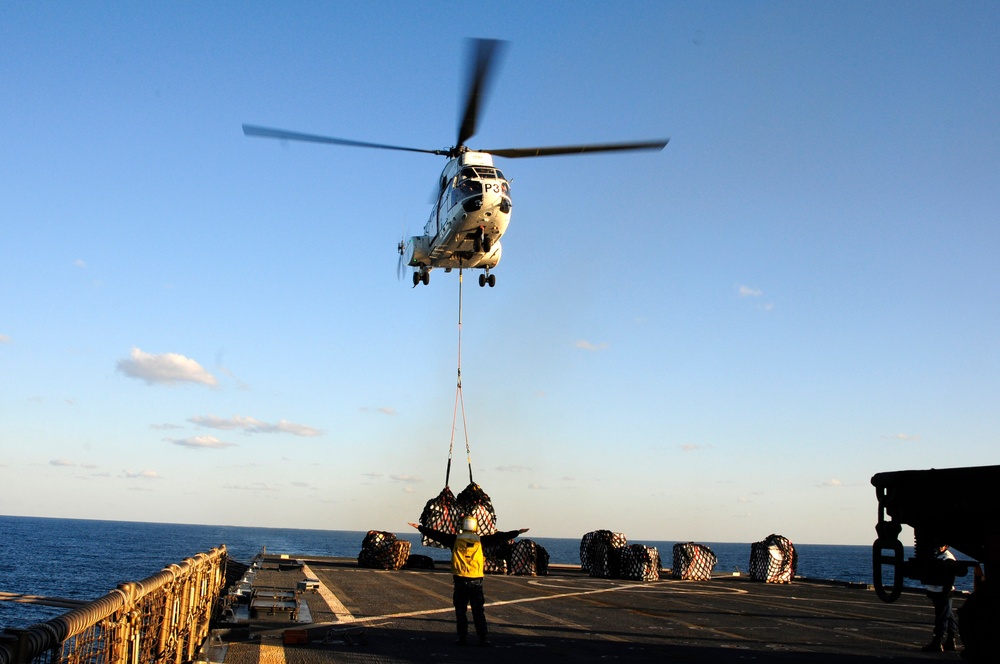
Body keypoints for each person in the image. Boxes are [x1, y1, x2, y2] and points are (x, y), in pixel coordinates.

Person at [409, 517, 528, 646]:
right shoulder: (481, 541)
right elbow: (499, 538)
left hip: (460, 578)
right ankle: (482, 638)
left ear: (463, 526)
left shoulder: (455, 540)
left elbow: (437, 535)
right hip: (476, 579)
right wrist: (517, 532)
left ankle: (462, 637)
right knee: (478, 610)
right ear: (475, 527)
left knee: (460, 610)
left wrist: (419, 527)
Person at [922, 544, 958, 652]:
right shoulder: (938, 557)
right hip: (937, 591)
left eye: (940, 545)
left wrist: (945, 592)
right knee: (948, 616)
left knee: (941, 617)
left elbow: (950, 578)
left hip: (943, 592)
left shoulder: (947, 558)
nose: (937, 547)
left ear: (945, 546)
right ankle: (951, 641)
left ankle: (937, 641)